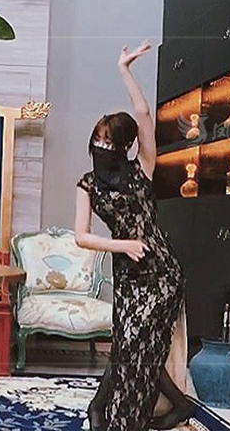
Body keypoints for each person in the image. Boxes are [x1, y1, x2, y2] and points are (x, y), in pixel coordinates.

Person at [74, 40, 196, 431]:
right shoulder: (88, 184)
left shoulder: (143, 167)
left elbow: (143, 114)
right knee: (131, 345)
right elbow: (81, 237)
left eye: (109, 141)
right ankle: (177, 406)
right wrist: (122, 245)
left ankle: (104, 412)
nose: (101, 146)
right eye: (97, 139)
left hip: (162, 272)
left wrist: (125, 70)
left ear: (125, 146)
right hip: (128, 272)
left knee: (138, 345)